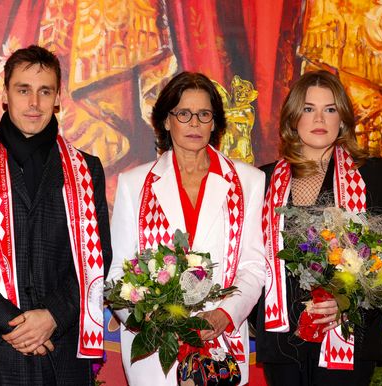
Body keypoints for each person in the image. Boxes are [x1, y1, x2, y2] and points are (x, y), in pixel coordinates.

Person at [0, 45, 112, 385]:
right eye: (23, 90)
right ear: (5, 95)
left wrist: (52, 316)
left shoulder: (86, 169)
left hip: (61, 351)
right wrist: (11, 324)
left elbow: (98, 256)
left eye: (44, 91)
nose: (34, 103)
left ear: (57, 98)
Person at [108, 71, 266, 385]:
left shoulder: (249, 181)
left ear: (215, 123)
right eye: (183, 113)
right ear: (166, 121)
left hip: (221, 348)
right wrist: (149, 322)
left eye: (203, 114)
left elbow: (253, 266)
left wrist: (226, 314)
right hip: (156, 354)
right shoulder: (134, 183)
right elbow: (116, 273)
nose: (194, 123)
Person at [255, 70, 382, 386]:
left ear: (343, 119)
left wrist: (347, 300)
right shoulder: (263, 180)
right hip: (284, 343)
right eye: (309, 108)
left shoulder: (371, 176)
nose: (319, 118)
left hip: (352, 338)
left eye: (330, 109)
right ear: (294, 118)